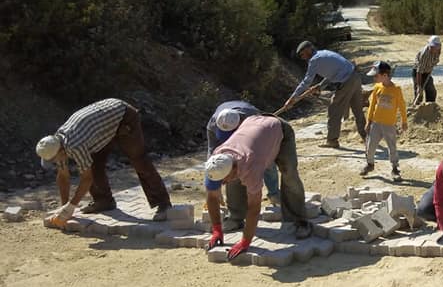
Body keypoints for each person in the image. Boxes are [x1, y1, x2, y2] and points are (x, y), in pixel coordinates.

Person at [36, 98, 172, 226]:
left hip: (123, 117)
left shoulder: (74, 146)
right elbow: (63, 176)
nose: (55, 163)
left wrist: (72, 206)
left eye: (54, 160)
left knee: (139, 160)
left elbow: (86, 179)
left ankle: (163, 204)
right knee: (93, 163)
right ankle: (104, 201)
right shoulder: (57, 144)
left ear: (60, 152)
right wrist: (63, 207)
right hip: (102, 129)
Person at [204, 114, 313, 260]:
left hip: (278, 129)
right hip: (255, 129)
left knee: (289, 173)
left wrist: (245, 241)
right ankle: (236, 218)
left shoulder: (251, 166)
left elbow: (254, 208)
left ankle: (301, 221)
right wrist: (216, 230)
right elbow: (211, 195)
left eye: (224, 179)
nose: (222, 183)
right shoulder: (217, 161)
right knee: (234, 182)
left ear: (234, 168)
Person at [279, 41, 366, 149]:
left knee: (334, 109)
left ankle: (332, 140)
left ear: (307, 50)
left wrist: (292, 98)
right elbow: (334, 73)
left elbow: (306, 82)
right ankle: (366, 136)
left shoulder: (314, 60)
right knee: (357, 110)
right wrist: (320, 85)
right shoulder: (324, 53)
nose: (302, 58)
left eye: (302, 55)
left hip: (346, 82)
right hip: (355, 77)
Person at [207, 101, 281, 219]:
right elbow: (212, 155)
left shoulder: (252, 118)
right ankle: (237, 213)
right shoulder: (213, 125)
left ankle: (274, 194)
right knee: (228, 167)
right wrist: (214, 184)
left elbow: (264, 145)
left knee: (266, 162)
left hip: (258, 136)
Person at [361, 61, 407, 182]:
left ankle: (395, 168)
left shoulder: (396, 90)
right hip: (376, 123)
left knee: (392, 147)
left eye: (376, 75)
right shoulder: (377, 88)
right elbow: (372, 106)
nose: (374, 77)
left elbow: (402, 106)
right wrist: (368, 121)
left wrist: (404, 121)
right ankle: (370, 164)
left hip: (389, 125)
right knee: (370, 146)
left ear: (385, 75)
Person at [412, 35, 442, 105]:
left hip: (427, 72)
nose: (434, 49)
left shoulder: (438, 49)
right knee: (419, 93)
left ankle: (430, 108)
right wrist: (419, 86)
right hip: (418, 73)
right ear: (429, 45)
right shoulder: (425, 54)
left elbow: (436, 58)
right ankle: (416, 109)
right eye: (432, 47)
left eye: (436, 47)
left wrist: (432, 65)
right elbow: (419, 71)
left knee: (431, 91)